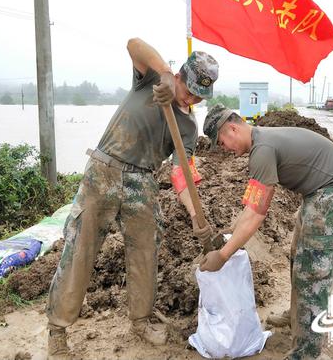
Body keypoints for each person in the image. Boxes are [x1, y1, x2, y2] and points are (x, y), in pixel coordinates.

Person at [46, 38, 219, 358]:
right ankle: (58, 328)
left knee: (145, 250)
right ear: (180, 75)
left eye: (199, 94)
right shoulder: (151, 80)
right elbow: (134, 45)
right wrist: (164, 76)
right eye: (189, 88)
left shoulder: (188, 127)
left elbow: (181, 174)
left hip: (142, 182)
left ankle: (140, 320)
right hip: (104, 170)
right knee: (80, 249)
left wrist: (198, 218)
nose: (191, 96)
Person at [200, 104, 333, 359]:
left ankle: (307, 352)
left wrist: (223, 256)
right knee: (299, 260)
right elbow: (251, 204)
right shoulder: (260, 143)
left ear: (231, 128)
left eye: (221, 143)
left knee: (312, 275)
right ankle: (297, 317)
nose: (224, 150)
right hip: (319, 195)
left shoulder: (262, 149)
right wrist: (230, 234)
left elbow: (256, 214)